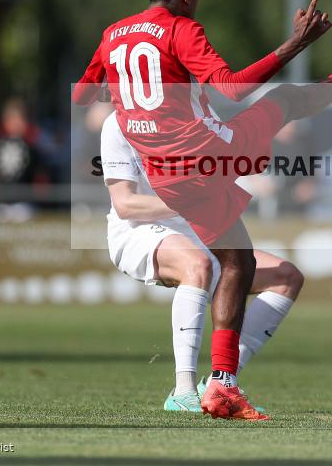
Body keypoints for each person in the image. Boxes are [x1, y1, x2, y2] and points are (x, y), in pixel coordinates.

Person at [73, 0, 332, 419]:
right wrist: (294, 45)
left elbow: (81, 96)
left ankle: (220, 384)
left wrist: (129, 96)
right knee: (286, 99)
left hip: (170, 174)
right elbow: (230, 88)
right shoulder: (180, 28)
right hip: (205, 157)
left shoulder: (112, 35)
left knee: (238, 261)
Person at [100, 113, 303, 415]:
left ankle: (219, 384)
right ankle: (182, 393)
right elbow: (126, 205)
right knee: (196, 264)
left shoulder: (197, 116)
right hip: (136, 232)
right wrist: (191, 200)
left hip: (196, 230)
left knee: (285, 277)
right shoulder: (118, 123)